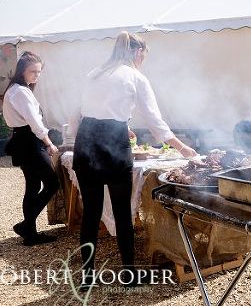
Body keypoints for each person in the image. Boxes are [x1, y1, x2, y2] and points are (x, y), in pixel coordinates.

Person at [73, 31, 197, 287]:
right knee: (121, 212)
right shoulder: (135, 77)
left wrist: (119, 123)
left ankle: (87, 277)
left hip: (86, 140)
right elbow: (155, 122)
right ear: (138, 53)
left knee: (91, 213)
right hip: (112, 144)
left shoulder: (93, 73)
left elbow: (84, 112)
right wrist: (182, 148)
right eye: (144, 57)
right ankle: (128, 274)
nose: (143, 61)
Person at [3, 51, 60, 245]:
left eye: (39, 71)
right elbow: (34, 123)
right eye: (32, 71)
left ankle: (30, 232)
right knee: (52, 183)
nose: (36, 75)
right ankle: (28, 226)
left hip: (25, 140)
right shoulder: (19, 91)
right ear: (22, 71)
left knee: (34, 186)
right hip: (29, 141)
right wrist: (49, 143)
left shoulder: (20, 89)